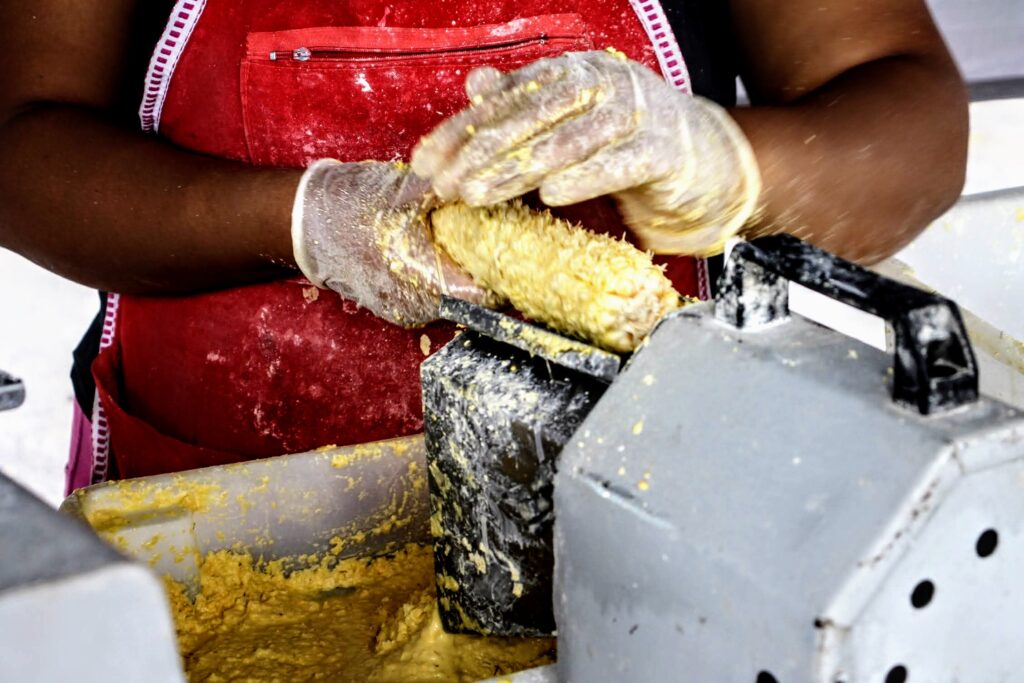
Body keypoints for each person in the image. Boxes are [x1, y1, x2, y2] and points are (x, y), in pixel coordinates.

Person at [0, 1, 967, 491]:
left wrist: (730, 161)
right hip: (222, 504)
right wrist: (300, 218)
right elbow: (24, 145)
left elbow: (910, 114)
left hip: (649, 511)